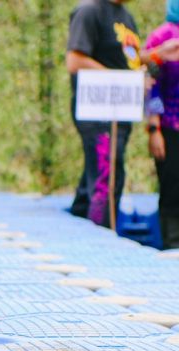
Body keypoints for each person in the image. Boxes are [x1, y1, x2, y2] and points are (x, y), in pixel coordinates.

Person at [66, 0, 179, 227]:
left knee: (102, 174)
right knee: (106, 178)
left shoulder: (125, 16)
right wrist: (124, 81)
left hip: (121, 111)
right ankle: (100, 238)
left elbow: (129, 62)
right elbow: (75, 60)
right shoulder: (90, 11)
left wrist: (156, 55)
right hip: (97, 111)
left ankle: (79, 222)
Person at [145, 0, 179, 248]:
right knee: (171, 186)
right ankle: (172, 243)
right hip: (170, 125)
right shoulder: (162, 36)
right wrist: (154, 128)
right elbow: (151, 87)